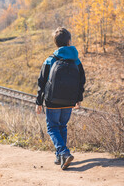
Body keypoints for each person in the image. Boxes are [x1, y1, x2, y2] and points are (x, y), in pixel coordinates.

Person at [35, 27, 86, 170]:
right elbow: (81, 81)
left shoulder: (50, 60)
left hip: (52, 101)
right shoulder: (76, 61)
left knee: (52, 127)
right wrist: (78, 99)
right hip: (69, 100)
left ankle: (63, 152)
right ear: (69, 41)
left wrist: (39, 101)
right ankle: (60, 157)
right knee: (62, 126)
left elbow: (42, 82)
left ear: (56, 43)